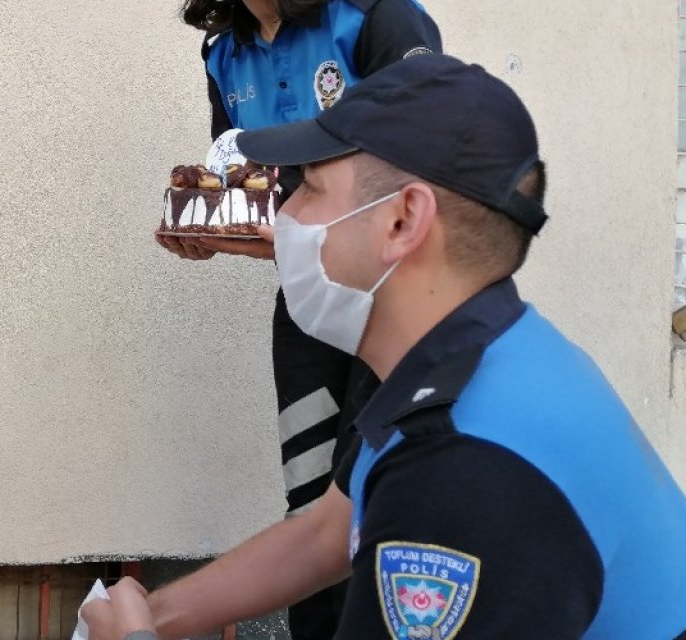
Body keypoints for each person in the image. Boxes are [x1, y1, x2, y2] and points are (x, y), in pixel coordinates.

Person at [87, 53, 686, 640]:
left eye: (310, 187)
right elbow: (325, 535)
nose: (285, 215)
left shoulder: (460, 469)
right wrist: (154, 615)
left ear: (402, 221)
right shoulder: (477, 352)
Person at [163, 1, 440, 635]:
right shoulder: (222, 52)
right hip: (307, 303)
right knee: (310, 500)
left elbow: (434, 158)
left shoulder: (380, 17)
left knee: (380, 492)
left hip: (397, 304)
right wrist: (216, 233)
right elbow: (245, 183)